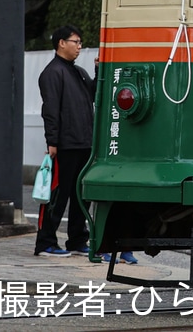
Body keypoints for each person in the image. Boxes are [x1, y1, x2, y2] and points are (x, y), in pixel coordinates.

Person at [34, 26, 136, 264]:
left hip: (84, 144)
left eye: (80, 42)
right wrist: (52, 142)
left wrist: (98, 70)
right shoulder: (52, 73)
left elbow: (93, 95)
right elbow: (50, 111)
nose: (79, 46)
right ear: (61, 43)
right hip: (65, 145)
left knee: (81, 197)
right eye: (75, 42)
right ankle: (46, 242)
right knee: (57, 196)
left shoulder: (77, 72)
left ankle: (78, 241)